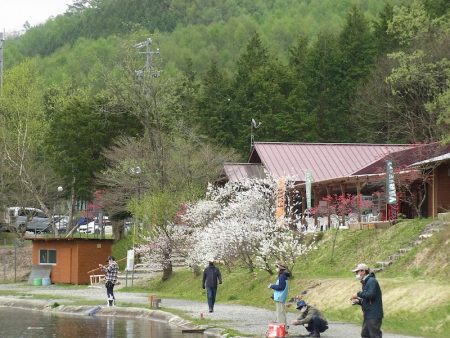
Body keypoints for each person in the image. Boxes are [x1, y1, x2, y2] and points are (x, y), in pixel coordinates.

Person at [350, 263, 384, 338]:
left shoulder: (372, 281)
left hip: (373, 314)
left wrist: (357, 294)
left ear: (363, 271)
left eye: (357, 272)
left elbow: (370, 295)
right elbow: (367, 299)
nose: (356, 274)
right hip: (368, 314)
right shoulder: (366, 282)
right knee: (365, 334)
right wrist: (358, 301)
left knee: (374, 335)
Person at [268, 261, 291, 325]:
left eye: (277, 267)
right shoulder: (283, 276)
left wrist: (272, 286)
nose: (276, 268)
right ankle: (284, 329)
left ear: (280, 268)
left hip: (280, 297)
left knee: (280, 315)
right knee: (281, 314)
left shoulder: (282, 276)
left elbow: (281, 287)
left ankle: (283, 330)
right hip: (280, 297)